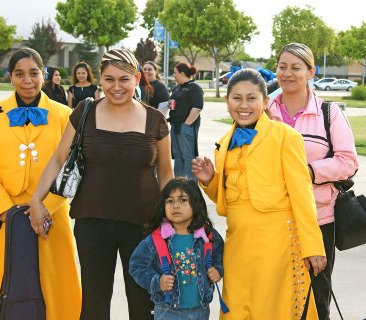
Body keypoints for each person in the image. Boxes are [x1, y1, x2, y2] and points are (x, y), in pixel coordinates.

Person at [30, 48, 174, 320]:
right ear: (100, 79)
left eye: (124, 79)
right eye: (109, 79)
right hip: (92, 223)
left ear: (137, 78)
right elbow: (59, 157)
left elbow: (166, 174)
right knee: (94, 305)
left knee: (143, 303)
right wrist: (37, 199)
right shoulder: (85, 111)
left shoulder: (156, 120)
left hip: (143, 226)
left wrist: (173, 221)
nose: (116, 87)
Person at [192, 68, 327, 320]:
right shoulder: (223, 142)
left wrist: (312, 245)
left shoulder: (286, 136)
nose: (244, 105)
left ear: (265, 102)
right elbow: (227, 203)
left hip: (277, 246)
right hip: (238, 246)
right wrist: (210, 181)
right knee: (236, 310)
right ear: (227, 101)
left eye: (251, 98)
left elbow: (302, 195)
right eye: (237, 98)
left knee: (273, 311)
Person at [0, 47, 81, 320]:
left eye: (34, 73)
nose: (27, 80)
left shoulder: (63, 114)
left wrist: (45, 208)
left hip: (51, 216)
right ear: (10, 77)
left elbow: (71, 169)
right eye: (19, 74)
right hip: (8, 217)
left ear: (43, 75)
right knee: (7, 280)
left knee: (55, 284)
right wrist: (6, 211)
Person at [268, 43, 359, 320]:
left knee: (316, 300)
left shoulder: (329, 114)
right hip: (271, 221)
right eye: (282, 67)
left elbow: (348, 162)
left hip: (319, 220)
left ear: (311, 72)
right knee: (275, 299)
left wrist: (307, 172)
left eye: (296, 68)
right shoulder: (264, 112)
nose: (288, 73)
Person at [129, 177, 224, 320]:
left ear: (196, 204)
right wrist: (156, 281)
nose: (175, 206)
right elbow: (136, 266)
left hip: (201, 310)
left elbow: (220, 256)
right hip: (168, 312)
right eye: (170, 201)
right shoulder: (156, 240)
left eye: (183, 200)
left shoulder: (208, 236)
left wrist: (217, 270)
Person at [169, 62, 204, 181]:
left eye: (175, 73)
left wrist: (186, 124)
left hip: (186, 127)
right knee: (177, 156)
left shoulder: (193, 87)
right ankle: (178, 183)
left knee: (188, 157)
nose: (174, 75)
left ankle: (190, 186)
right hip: (175, 125)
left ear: (182, 73)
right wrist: (170, 106)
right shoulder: (177, 88)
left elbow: (197, 107)